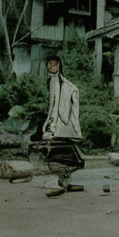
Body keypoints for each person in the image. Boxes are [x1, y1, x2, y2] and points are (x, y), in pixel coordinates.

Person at [40, 55, 85, 198]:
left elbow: (60, 102)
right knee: (56, 150)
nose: (52, 67)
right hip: (54, 119)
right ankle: (61, 179)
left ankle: (65, 178)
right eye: (50, 64)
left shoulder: (65, 85)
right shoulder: (52, 81)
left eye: (54, 64)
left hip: (62, 120)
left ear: (59, 65)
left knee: (64, 149)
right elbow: (52, 102)